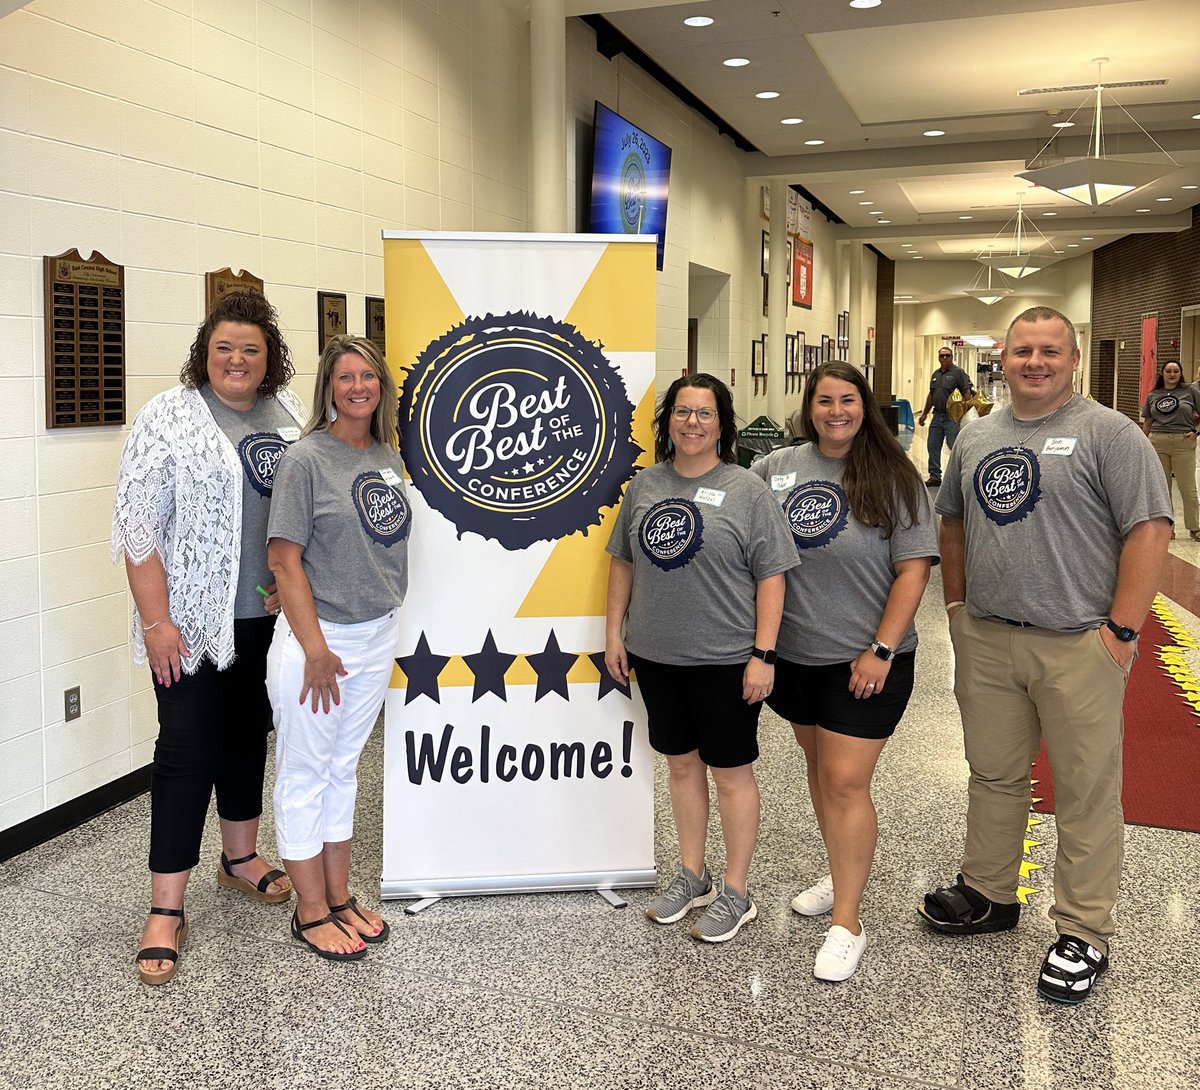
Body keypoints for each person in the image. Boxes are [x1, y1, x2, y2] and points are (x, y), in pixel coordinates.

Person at [918, 307, 1172, 1005]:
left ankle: (1084, 932)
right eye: (1023, 349)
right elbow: (954, 525)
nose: (1035, 361)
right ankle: (992, 892)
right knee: (994, 773)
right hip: (991, 638)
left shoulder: (1109, 434)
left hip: (1078, 643)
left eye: (1049, 350)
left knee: (1086, 789)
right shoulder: (978, 434)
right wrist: (958, 611)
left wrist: (1121, 630)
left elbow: (1149, 531)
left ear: (1074, 358)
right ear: (1005, 355)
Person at [113, 290, 305, 986]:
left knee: (248, 735)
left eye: (251, 349)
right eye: (225, 347)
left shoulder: (286, 418)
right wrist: (157, 621)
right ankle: (166, 908)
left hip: (267, 621)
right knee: (186, 750)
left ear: (269, 357)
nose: (237, 359)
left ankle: (240, 860)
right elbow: (138, 528)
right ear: (205, 352)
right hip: (190, 624)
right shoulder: (167, 417)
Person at [751, 362, 937, 981]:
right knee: (820, 769)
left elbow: (914, 570)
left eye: (848, 400)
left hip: (866, 661)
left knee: (845, 782)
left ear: (866, 407)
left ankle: (848, 922)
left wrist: (880, 650)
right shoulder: (775, 470)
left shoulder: (893, 477)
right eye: (825, 400)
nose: (836, 411)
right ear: (808, 406)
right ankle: (840, 871)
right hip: (795, 659)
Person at [604, 374, 798, 944]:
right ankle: (694, 874)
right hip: (658, 655)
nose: (692, 422)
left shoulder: (746, 490)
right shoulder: (644, 486)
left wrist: (763, 654)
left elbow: (773, 575)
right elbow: (622, 561)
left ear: (722, 424)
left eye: (704, 413)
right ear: (668, 423)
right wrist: (616, 632)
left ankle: (737, 891)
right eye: (682, 412)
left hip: (727, 659)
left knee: (731, 773)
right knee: (682, 766)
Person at [266, 335, 410, 961]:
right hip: (317, 643)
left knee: (344, 768)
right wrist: (317, 647)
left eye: (369, 377)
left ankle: (339, 894)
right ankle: (310, 910)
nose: (358, 386)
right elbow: (284, 559)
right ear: (329, 386)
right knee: (305, 772)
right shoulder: (306, 460)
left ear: (381, 387)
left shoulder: (385, 455)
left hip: (375, 634)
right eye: (346, 376)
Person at [1141, 359, 1200, 540]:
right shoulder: (1153, 395)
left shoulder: (1190, 391)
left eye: (1176, 371)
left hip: (1183, 442)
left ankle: (1195, 527)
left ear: (1180, 373)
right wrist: (1144, 443)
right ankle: (1168, 528)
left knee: (1187, 488)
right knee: (1162, 488)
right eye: (1169, 371)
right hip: (1158, 442)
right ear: (1163, 373)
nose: (1172, 374)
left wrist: (1196, 432)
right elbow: (1148, 422)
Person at [917, 347, 974, 487]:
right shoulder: (936, 374)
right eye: (941, 356)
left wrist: (966, 412)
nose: (944, 358)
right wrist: (924, 413)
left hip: (952, 417)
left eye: (947, 356)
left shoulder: (958, 373)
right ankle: (935, 476)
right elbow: (932, 395)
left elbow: (966, 392)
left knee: (954, 447)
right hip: (937, 415)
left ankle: (959, 476)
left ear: (952, 357)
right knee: (933, 446)